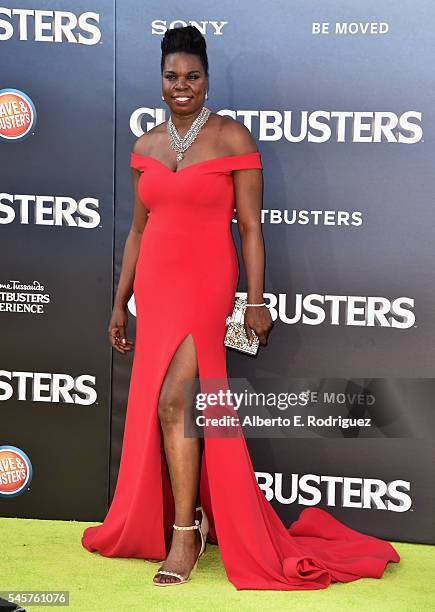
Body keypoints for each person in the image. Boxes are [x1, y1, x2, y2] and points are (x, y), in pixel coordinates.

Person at [81, 25, 400, 589]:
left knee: (178, 402)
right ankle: (188, 519)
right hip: (155, 286)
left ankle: (185, 535)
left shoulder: (232, 138)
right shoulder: (145, 146)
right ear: (160, 81)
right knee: (166, 405)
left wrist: (255, 300)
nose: (182, 87)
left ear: (208, 80)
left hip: (207, 283)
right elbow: (136, 230)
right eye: (172, 77)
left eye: (193, 77)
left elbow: (251, 229)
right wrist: (119, 301)